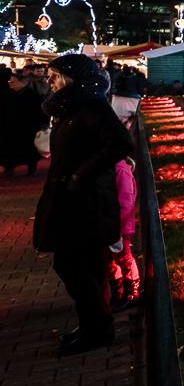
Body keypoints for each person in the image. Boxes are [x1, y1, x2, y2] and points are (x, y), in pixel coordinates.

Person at [33, 54, 134, 356]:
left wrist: (81, 173)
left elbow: (120, 144)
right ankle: (93, 324)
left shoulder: (91, 106)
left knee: (74, 265)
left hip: (86, 203)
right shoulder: (72, 108)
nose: (48, 81)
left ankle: (98, 328)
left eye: (54, 75)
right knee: (82, 267)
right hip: (72, 199)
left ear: (71, 78)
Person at [3, 69, 49, 176]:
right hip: (10, 127)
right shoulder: (7, 94)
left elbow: (41, 112)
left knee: (28, 150)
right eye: (10, 81)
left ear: (22, 82)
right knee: (10, 148)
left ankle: (31, 168)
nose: (10, 83)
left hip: (28, 128)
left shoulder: (33, 96)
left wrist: (43, 125)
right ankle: (9, 167)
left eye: (13, 81)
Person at [108, 156, 140, 311]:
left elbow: (125, 202)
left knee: (124, 257)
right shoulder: (113, 168)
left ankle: (132, 293)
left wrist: (118, 225)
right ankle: (118, 292)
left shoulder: (120, 170)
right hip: (110, 223)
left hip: (119, 224)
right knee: (110, 260)